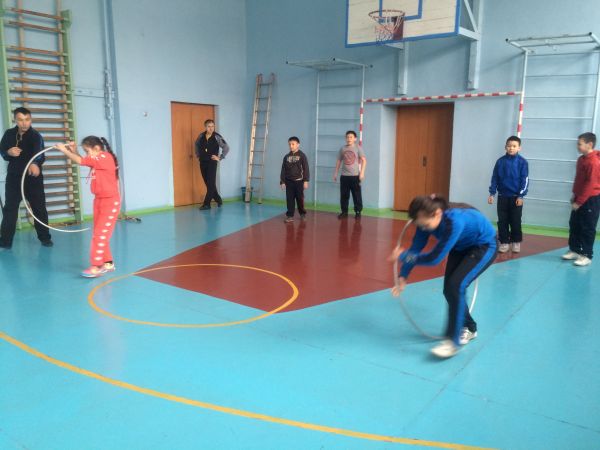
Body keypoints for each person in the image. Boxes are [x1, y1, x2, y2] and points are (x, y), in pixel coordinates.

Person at [390, 195, 497, 359]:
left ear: (438, 213)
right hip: (460, 246)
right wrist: (403, 276)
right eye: (421, 225)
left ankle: (452, 342)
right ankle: (469, 327)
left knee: (456, 285)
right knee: (449, 290)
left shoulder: (454, 222)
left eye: (426, 225)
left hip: (484, 245)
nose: (424, 228)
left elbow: (434, 258)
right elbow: (416, 248)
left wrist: (403, 256)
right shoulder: (424, 223)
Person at [55, 137, 120, 278]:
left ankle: (96, 266)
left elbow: (82, 161)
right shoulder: (97, 159)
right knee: (99, 233)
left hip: (110, 202)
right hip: (99, 201)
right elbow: (84, 160)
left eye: (87, 150)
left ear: (96, 148)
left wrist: (64, 150)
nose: (86, 154)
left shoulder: (104, 157)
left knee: (100, 235)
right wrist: (74, 151)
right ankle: (108, 263)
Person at [0, 107, 53, 249]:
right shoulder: (9, 134)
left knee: (39, 208)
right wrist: (8, 152)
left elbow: (40, 154)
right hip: (14, 178)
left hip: (32, 179)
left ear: (31, 120)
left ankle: (45, 238)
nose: (24, 123)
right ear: (15, 120)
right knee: (10, 209)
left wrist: (35, 163)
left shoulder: (36, 136)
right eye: (20, 120)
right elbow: (3, 152)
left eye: (27, 119)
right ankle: (5, 241)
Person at [561, 132, 600, 267]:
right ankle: (575, 250)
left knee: (587, 227)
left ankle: (586, 255)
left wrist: (580, 202)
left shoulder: (594, 162)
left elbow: (590, 184)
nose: (577, 146)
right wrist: (575, 195)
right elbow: (579, 180)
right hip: (579, 197)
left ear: (590, 144)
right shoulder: (581, 159)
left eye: (580, 144)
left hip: (590, 199)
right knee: (575, 224)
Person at [488, 136, 529, 253]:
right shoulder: (500, 162)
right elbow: (495, 178)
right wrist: (492, 193)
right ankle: (504, 242)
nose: (511, 148)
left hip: (516, 198)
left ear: (519, 148)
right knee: (502, 221)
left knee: (515, 221)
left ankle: (516, 242)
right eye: (509, 146)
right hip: (502, 197)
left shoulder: (523, 162)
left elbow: (525, 180)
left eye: (514, 146)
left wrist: (521, 196)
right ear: (505, 147)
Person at [195, 119, 229, 210]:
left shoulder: (217, 137)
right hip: (202, 162)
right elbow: (196, 145)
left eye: (212, 126)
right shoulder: (201, 136)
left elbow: (226, 147)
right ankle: (218, 199)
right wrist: (198, 155)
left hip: (212, 163)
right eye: (209, 126)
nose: (211, 128)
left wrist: (220, 157)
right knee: (209, 184)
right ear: (205, 127)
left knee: (210, 184)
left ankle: (207, 204)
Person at [333, 130, 366, 219]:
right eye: (347, 137)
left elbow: (364, 160)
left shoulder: (358, 148)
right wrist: (335, 173)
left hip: (355, 176)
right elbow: (339, 161)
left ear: (355, 139)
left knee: (356, 195)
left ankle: (358, 212)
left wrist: (362, 173)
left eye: (351, 137)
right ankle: (344, 212)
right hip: (344, 177)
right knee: (344, 195)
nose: (349, 139)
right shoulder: (343, 149)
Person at [280, 136, 309, 223]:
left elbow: (306, 168)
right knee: (289, 199)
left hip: (299, 182)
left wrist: (306, 180)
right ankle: (290, 215)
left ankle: (302, 213)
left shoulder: (302, 155)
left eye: (293, 144)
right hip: (289, 182)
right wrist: (282, 181)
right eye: (289, 144)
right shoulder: (286, 157)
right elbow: (283, 170)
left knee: (300, 199)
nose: (291, 146)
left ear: (298, 145)